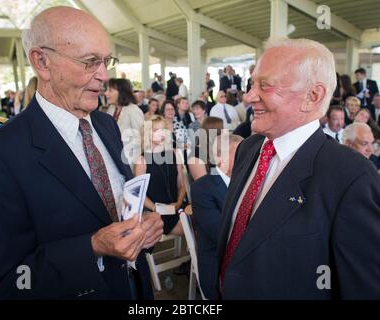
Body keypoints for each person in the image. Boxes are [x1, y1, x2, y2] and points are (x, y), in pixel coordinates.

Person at [0, 6, 163, 300]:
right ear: (42, 62)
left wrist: (145, 224)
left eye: (106, 61)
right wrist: (93, 248)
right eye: (90, 62)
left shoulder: (105, 124)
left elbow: (118, 201)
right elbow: (9, 283)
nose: (103, 75)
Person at [218, 37, 380, 299]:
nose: (248, 96)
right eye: (252, 83)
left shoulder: (352, 176)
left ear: (312, 96)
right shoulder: (249, 149)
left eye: (265, 85)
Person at [191, 133, 242, 299]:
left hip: (245, 258)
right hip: (219, 267)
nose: (247, 158)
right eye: (240, 153)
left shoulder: (246, 182)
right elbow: (220, 235)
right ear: (220, 157)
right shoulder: (202, 187)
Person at [134, 115, 185, 236]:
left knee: (202, 219)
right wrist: (156, 208)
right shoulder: (142, 161)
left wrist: (178, 203)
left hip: (177, 206)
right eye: (156, 130)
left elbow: (182, 185)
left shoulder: (173, 154)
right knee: (197, 229)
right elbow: (139, 194)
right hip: (158, 213)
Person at [105, 78, 145, 169]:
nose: (106, 93)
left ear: (121, 92)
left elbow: (142, 137)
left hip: (130, 162)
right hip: (114, 159)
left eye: (110, 90)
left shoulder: (133, 110)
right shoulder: (111, 109)